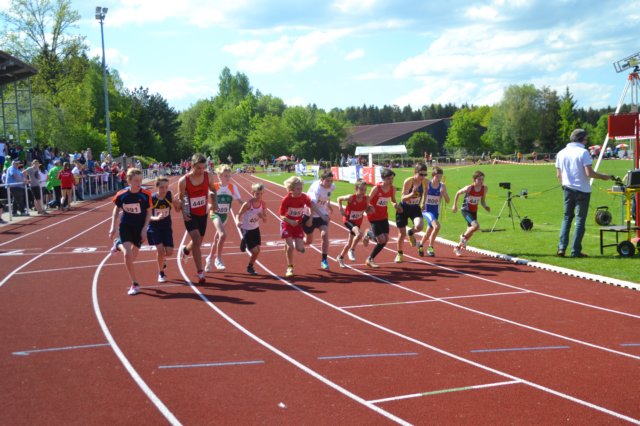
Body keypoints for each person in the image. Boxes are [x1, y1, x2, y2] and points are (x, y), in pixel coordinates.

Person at [555, 129, 611, 257]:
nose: (586, 142)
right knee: (580, 221)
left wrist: (564, 186)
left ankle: (561, 248)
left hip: (567, 189)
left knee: (567, 218)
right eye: (586, 139)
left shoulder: (561, 153)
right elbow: (589, 173)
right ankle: (575, 251)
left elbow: (559, 175)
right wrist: (603, 176)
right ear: (581, 139)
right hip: (582, 191)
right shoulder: (583, 152)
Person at [109, 168, 152, 295]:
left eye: (140, 180)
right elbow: (116, 209)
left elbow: (149, 212)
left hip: (139, 228)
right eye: (136, 181)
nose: (139, 183)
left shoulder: (146, 194)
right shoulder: (121, 194)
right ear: (129, 181)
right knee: (127, 255)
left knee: (132, 257)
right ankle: (135, 284)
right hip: (126, 225)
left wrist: (144, 229)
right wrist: (113, 226)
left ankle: (118, 244)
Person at [176, 153, 218, 284]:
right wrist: (183, 212)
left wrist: (214, 201)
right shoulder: (183, 181)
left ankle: (186, 250)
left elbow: (213, 189)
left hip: (202, 212)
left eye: (203, 167)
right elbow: (181, 198)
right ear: (192, 165)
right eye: (199, 168)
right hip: (190, 213)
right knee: (196, 238)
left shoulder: (208, 176)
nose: (201, 170)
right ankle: (200, 272)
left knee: (198, 241)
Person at [205, 164, 241, 272]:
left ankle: (209, 258)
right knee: (223, 235)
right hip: (215, 214)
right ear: (219, 176)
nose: (228, 178)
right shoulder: (214, 187)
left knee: (217, 239)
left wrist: (249, 205)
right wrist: (209, 206)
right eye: (225, 175)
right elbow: (205, 200)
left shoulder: (233, 187)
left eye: (229, 175)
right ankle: (218, 259)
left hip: (225, 216)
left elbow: (240, 201)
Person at [364, 168, 398, 268]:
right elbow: (367, 200)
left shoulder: (392, 189)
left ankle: (369, 234)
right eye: (388, 179)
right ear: (383, 178)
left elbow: (393, 200)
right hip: (374, 217)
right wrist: (368, 207)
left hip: (384, 216)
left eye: (392, 179)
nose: (391, 181)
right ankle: (370, 259)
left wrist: (396, 205)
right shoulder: (376, 188)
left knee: (386, 239)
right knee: (381, 240)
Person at [279, 176, 312, 278]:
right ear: (291, 189)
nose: (300, 191)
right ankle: (290, 267)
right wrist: (290, 221)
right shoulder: (286, 199)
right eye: (298, 189)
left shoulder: (304, 197)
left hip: (298, 226)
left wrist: (310, 218)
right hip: (287, 224)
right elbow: (281, 215)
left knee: (299, 248)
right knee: (291, 247)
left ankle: (293, 245)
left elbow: (311, 205)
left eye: (301, 188)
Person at [451, 170, 490, 256]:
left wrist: (485, 206)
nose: (481, 181)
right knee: (476, 226)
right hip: (466, 210)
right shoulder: (469, 188)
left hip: (474, 211)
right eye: (479, 179)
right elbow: (458, 193)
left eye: (482, 179)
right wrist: (454, 205)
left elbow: (482, 201)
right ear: (474, 179)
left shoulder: (484, 188)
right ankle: (463, 237)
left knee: (470, 232)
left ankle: (457, 247)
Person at [395, 163, 428, 262]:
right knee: (401, 234)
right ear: (415, 172)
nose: (423, 177)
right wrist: (412, 194)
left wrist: (423, 203)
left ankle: (411, 232)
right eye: (421, 174)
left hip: (415, 208)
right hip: (403, 208)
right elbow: (403, 198)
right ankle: (399, 254)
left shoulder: (425, 182)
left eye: (425, 174)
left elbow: (426, 192)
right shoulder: (409, 181)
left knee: (419, 226)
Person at [336, 179, 372, 267]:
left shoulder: (366, 198)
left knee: (349, 242)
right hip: (348, 220)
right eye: (361, 189)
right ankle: (352, 250)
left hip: (358, 221)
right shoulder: (351, 197)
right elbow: (339, 198)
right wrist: (340, 208)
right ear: (356, 188)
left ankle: (340, 257)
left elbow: (366, 209)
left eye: (365, 189)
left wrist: (370, 209)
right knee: (359, 234)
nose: (363, 191)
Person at [303, 170, 335, 270]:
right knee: (308, 241)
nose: (330, 183)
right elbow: (311, 204)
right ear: (321, 180)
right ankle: (298, 243)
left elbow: (328, 195)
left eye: (331, 180)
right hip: (309, 214)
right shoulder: (316, 188)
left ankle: (324, 260)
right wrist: (311, 218)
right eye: (327, 181)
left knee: (325, 235)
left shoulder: (332, 186)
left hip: (322, 214)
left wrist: (328, 205)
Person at [147, 176, 175, 283]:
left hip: (166, 226)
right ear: (157, 187)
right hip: (154, 226)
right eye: (162, 187)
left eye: (166, 187)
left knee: (169, 252)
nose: (164, 190)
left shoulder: (169, 195)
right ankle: (161, 273)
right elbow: (147, 216)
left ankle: (163, 258)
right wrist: (156, 218)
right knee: (159, 250)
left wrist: (179, 203)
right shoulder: (152, 199)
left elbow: (176, 208)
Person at [418, 166, 450, 257]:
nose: (439, 178)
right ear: (433, 176)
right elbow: (422, 194)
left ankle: (420, 244)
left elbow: (448, 200)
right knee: (437, 227)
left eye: (440, 176)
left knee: (429, 232)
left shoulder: (442, 186)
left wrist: (444, 193)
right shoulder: (427, 184)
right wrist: (422, 204)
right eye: (437, 176)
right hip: (427, 210)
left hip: (436, 211)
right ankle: (430, 247)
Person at [237, 183, 267, 275]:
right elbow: (239, 214)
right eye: (257, 194)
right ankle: (250, 267)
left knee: (258, 251)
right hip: (246, 229)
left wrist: (262, 216)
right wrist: (238, 221)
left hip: (255, 229)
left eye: (261, 194)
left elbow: (265, 220)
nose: (259, 196)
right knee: (255, 251)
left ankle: (250, 266)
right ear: (252, 193)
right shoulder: (247, 204)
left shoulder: (263, 204)